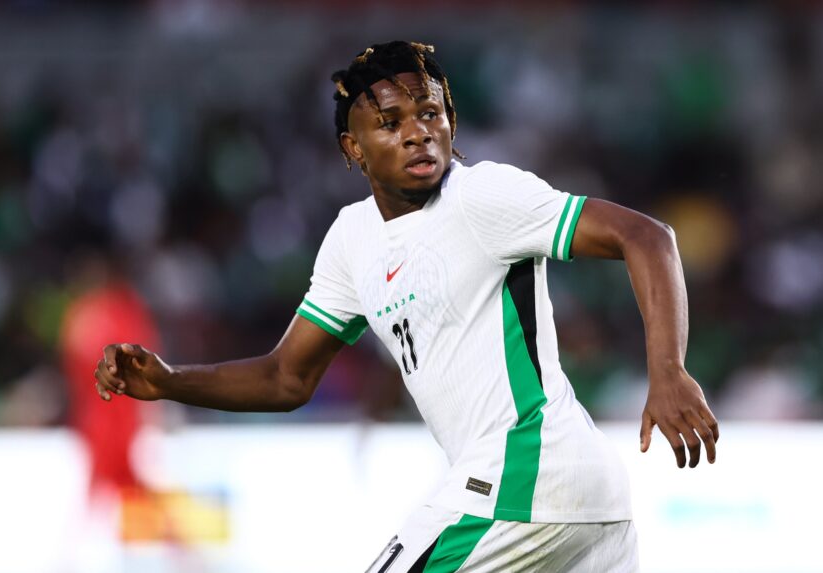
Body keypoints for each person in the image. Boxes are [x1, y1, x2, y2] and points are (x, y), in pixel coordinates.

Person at [94, 41, 719, 572]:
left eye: (430, 112)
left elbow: (647, 237)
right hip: (577, 503)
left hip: (522, 481)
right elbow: (286, 376)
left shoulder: (481, 196)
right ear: (353, 149)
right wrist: (169, 382)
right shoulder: (352, 239)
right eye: (390, 122)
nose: (418, 131)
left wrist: (668, 370)